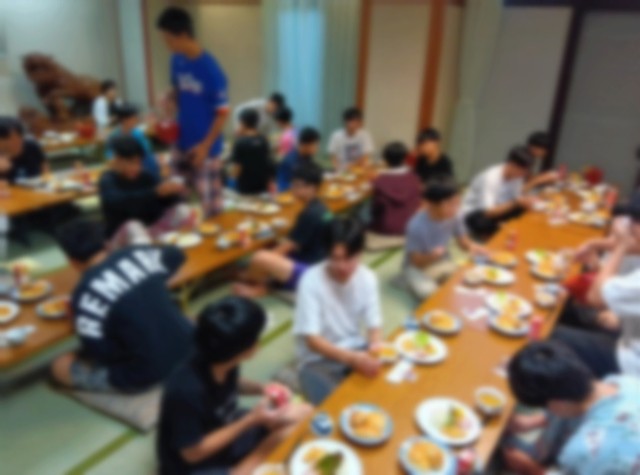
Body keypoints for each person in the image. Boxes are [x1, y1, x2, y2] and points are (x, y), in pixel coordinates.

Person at [157, 296, 312, 475]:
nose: (259, 343)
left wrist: (262, 388)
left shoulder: (219, 354)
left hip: (225, 425)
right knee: (276, 442)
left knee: (304, 413)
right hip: (191, 463)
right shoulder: (185, 390)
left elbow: (230, 382)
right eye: (256, 338)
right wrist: (252, 421)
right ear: (245, 348)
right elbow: (191, 454)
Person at [50, 219, 192, 393]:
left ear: (72, 261)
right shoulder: (137, 253)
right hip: (191, 347)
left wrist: (77, 322)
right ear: (107, 244)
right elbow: (176, 254)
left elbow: (101, 354)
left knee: (60, 366)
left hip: (147, 374)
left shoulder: (83, 294)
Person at [503, 340, 640, 475]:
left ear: (557, 403)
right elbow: (569, 404)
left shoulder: (582, 451)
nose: (548, 410)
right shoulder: (626, 382)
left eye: (546, 407)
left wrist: (532, 469)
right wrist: (532, 422)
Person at [294, 218, 383, 404]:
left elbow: (374, 325)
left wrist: (375, 347)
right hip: (317, 360)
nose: (342, 266)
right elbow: (312, 341)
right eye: (335, 258)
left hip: (355, 348)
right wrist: (352, 359)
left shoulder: (368, 278)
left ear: (360, 252)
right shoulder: (311, 281)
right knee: (336, 407)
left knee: (382, 392)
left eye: (349, 258)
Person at [553, 194, 640, 379]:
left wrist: (622, 247)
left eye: (634, 223)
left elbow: (596, 297)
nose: (630, 227)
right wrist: (592, 244)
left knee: (550, 333)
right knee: (565, 306)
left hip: (629, 359)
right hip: (628, 325)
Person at [157, 6, 229, 217]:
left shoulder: (211, 70)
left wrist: (205, 146)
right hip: (181, 141)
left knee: (211, 207)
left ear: (183, 35)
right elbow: (178, 88)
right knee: (178, 202)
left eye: (168, 39)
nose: (166, 44)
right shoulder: (176, 60)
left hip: (205, 148)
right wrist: (170, 97)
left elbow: (223, 112)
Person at [232, 162, 333, 298]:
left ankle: (259, 287)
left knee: (259, 257)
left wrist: (254, 266)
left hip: (312, 273)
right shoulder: (321, 207)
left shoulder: (310, 214)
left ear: (312, 188)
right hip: (322, 263)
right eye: (293, 184)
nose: (293, 188)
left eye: (297, 185)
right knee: (269, 248)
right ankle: (255, 278)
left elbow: (283, 249)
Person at [99, 135, 192, 248]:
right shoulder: (108, 180)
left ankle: (188, 251)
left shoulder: (145, 176)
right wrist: (155, 193)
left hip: (148, 233)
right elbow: (121, 202)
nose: (136, 168)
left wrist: (173, 193)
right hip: (121, 242)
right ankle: (149, 257)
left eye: (138, 163)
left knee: (182, 209)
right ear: (117, 160)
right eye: (131, 163)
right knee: (133, 226)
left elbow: (163, 199)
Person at [403, 180, 486, 300]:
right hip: (417, 267)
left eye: (457, 203)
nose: (456, 208)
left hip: (442, 260)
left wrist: (472, 246)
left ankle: (438, 280)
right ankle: (408, 281)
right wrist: (432, 256)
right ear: (431, 205)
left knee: (468, 279)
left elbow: (463, 241)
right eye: (450, 204)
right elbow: (416, 262)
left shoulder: (456, 214)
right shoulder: (416, 226)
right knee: (431, 295)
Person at [460, 146, 535, 240]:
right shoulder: (491, 177)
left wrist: (524, 201)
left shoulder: (518, 176)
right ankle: (490, 233)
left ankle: (499, 228)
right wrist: (516, 202)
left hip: (499, 208)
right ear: (511, 165)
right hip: (476, 211)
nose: (523, 175)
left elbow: (516, 197)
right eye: (522, 171)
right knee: (483, 222)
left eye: (525, 171)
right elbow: (488, 212)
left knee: (523, 209)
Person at [369, 141, 421, 235]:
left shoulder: (380, 181)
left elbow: (376, 207)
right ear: (405, 159)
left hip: (386, 227)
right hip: (410, 225)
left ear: (385, 160)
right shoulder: (414, 178)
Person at [107, 103, 160, 178]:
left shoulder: (138, 134)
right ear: (124, 120)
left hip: (141, 166)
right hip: (123, 169)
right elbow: (111, 156)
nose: (136, 120)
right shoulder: (114, 136)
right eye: (134, 118)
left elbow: (147, 150)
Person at [229, 108, 275, 195]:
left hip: (246, 187)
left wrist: (231, 181)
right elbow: (267, 161)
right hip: (262, 184)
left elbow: (237, 168)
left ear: (243, 123)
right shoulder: (263, 140)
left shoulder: (240, 143)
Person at [0, 116, 47, 183]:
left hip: (37, 185)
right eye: (8, 138)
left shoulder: (31, 146)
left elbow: (44, 166)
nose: (15, 142)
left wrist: (46, 181)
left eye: (19, 136)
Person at [277, 127, 320, 192]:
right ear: (305, 145)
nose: (317, 148)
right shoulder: (290, 162)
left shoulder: (307, 158)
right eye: (315, 145)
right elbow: (282, 186)